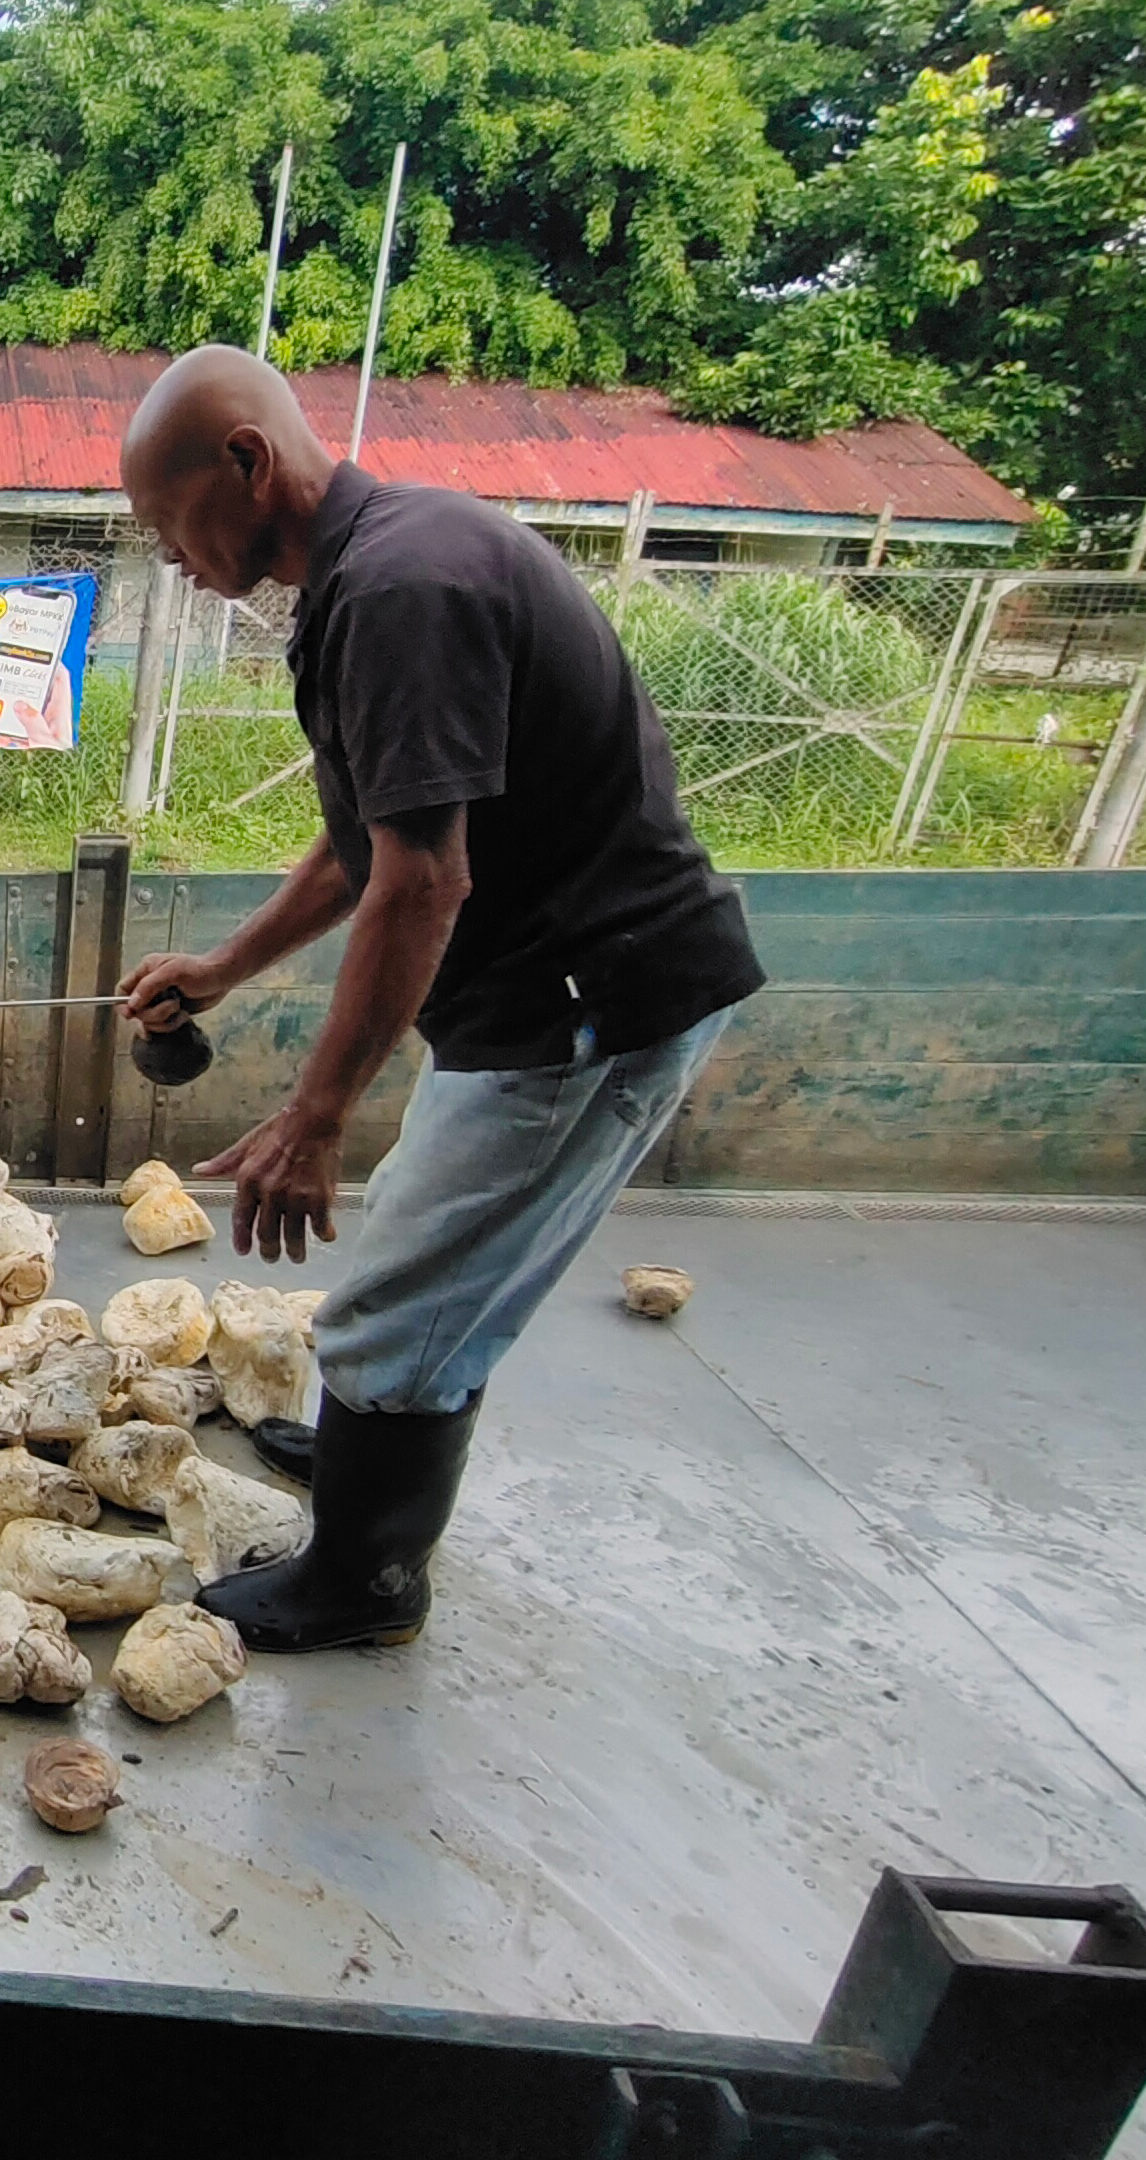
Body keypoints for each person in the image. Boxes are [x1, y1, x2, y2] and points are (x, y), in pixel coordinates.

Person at [114, 346, 765, 1652]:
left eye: (168, 525)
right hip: (551, 988)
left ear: (247, 463)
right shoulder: (370, 576)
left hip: (593, 1001)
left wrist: (314, 1116)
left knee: (411, 1289)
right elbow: (371, 833)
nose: (170, 560)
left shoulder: (402, 589)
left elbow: (421, 882)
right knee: (426, 1256)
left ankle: (366, 1579)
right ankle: (372, 1453)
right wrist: (229, 966)